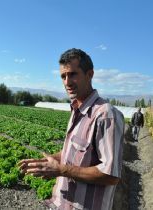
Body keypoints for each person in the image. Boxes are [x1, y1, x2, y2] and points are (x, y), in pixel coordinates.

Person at [18, 48, 125, 210]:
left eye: (73, 74)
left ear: (90, 74)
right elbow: (77, 153)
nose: (67, 82)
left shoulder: (105, 115)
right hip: (60, 204)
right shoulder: (76, 109)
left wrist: (61, 170)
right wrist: (48, 163)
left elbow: (111, 175)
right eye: (63, 76)